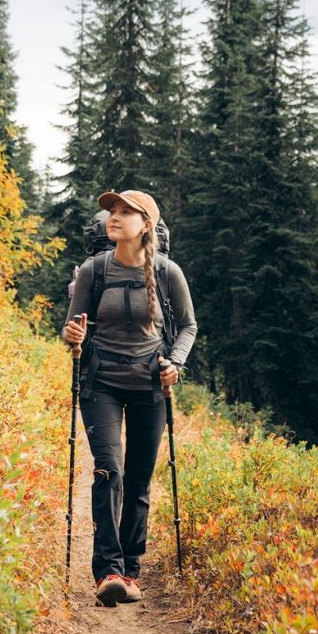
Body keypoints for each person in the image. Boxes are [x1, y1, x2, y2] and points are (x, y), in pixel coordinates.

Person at [61, 189, 197, 606]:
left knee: (138, 480)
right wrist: (73, 336)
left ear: (146, 226)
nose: (113, 218)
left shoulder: (167, 272)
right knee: (109, 470)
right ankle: (108, 571)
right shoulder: (93, 269)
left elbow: (189, 326)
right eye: (111, 212)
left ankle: (131, 570)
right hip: (101, 381)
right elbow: (71, 329)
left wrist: (175, 362)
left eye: (124, 212)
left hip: (149, 385)